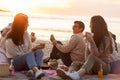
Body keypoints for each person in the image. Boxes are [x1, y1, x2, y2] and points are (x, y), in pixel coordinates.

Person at [56, 15, 117, 80]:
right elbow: (87, 55)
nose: (90, 26)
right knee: (75, 63)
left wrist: (91, 42)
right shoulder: (94, 36)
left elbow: (96, 55)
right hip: (93, 66)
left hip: (103, 67)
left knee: (92, 57)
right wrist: (88, 42)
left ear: (96, 25)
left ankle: (77, 75)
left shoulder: (106, 39)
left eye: (91, 24)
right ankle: (70, 74)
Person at [5, 13, 45, 79]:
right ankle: (37, 71)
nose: (28, 25)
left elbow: (30, 48)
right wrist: (33, 49)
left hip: (26, 60)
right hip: (14, 62)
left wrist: (36, 48)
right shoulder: (10, 38)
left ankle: (33, 70)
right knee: (29, 54)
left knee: (39, 51)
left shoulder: (26, 33)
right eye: (27, 23)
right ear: (21, 25)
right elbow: (17, 55)